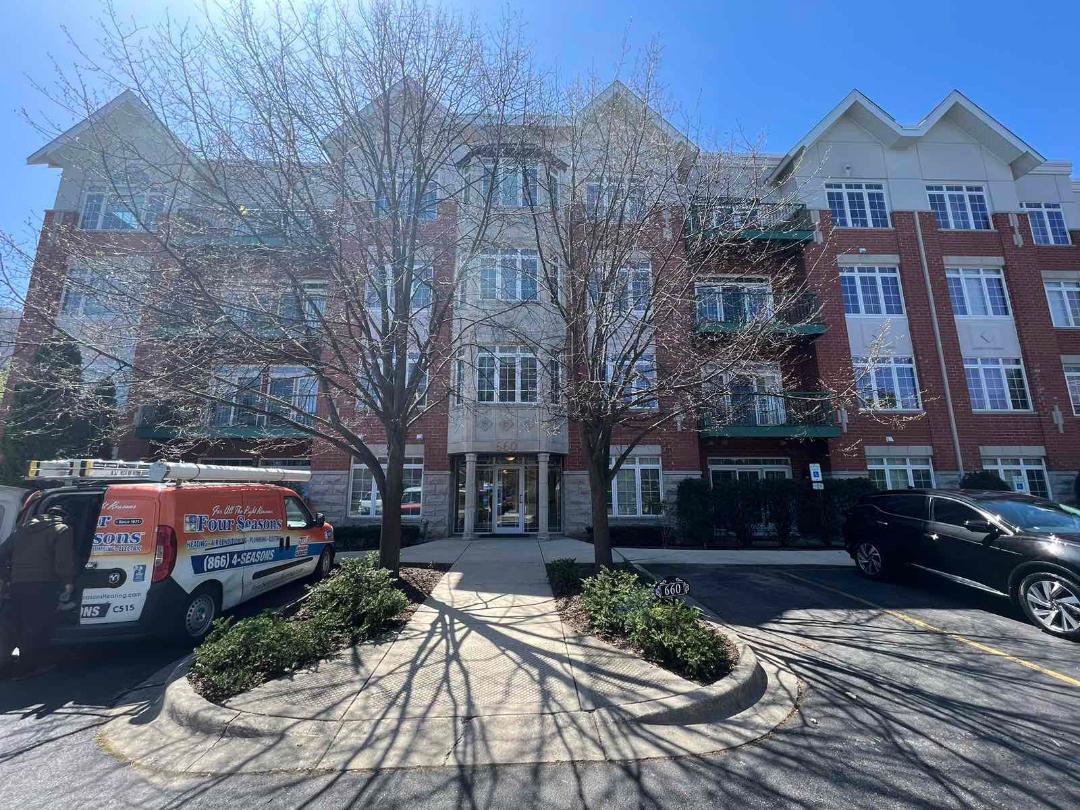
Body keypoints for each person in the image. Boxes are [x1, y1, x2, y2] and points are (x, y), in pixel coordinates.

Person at [0, 504, 76, 678]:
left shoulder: (21, 530)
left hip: (17, 585)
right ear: (62, 517)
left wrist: (8, 575)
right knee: (34, 627)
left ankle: (4, 666)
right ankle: (24, 669)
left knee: (11, 626)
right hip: (43, 585)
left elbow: (1, 554)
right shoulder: (62, 529)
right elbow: (62, 561)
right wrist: (68, 582)